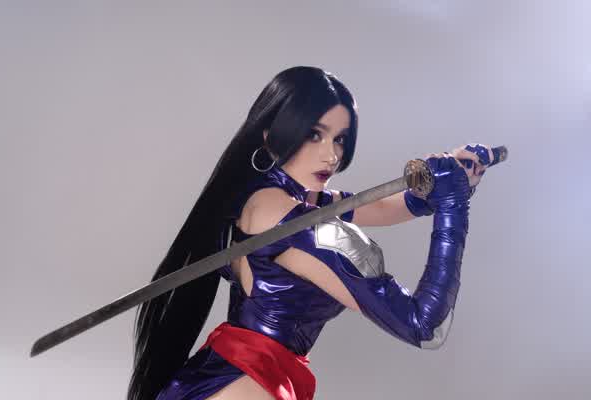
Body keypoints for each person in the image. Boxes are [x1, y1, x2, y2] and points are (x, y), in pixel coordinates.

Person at [126, 66, 493, 400]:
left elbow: (380, 207)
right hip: (247, 385)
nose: (331, 155)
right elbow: (426, 326)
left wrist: (442, 184)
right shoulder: (304, 226)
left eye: (340, 139)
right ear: (271, 134)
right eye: (314, 135)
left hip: (226, 372)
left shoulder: (257, 195)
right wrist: (453, 206)